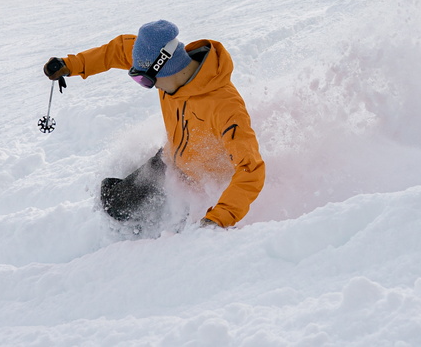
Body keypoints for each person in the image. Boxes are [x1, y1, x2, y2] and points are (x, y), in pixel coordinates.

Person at [41, 19, 265, 228]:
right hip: (170, 162)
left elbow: (250, 168)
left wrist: (219, 219)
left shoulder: (224, 106)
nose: (148, 85)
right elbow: (118, 50)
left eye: (144, 79)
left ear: (164, 66)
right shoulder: (161, 67)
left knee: (174, 234)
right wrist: (71, 64)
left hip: (205, 186)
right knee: (115, 204)